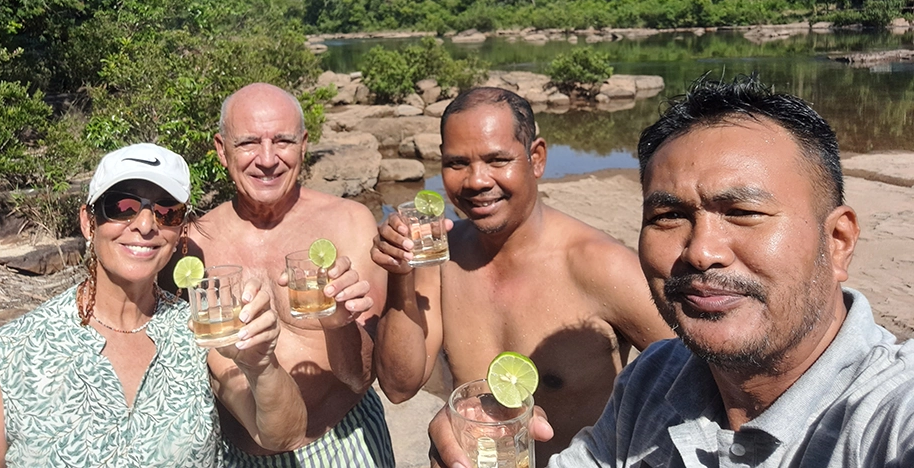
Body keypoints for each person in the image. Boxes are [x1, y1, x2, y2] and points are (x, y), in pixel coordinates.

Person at [431, 75, 914, 468]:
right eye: (668, 217)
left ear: (838, 242)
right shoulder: (651, 386)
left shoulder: (885, 416)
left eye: (743, 211)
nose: (702, 251)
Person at [0, 142, 306, 468]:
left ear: (181, 232)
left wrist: (261, 365)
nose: (146, 224)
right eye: (122, 206)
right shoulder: (14, 353)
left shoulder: (199, 331)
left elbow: (281, 435)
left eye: (167, 211)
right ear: (89, 223)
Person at [372, 87, 673, 466]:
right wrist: (401, 275)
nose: (476, 180)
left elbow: (708, 377)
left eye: (497, 160)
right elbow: (399, 386)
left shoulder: (601, 266)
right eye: (457, 163)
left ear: (536, 158)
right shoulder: (440, 258)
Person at [175, 82, 392, 467]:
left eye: (283, 141)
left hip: (342, 441)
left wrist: (339, 323)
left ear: (304, 144)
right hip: (236, 454)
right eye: (248, 143)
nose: (267, 159)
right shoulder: (191, 244)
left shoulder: (349, 222)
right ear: (221, 150)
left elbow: (362, 376)